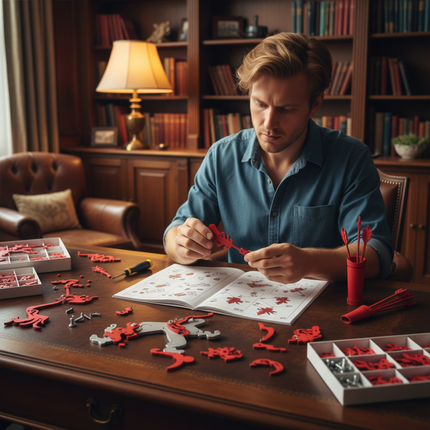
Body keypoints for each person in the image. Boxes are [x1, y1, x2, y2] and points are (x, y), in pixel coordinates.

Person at [164, 32, 393, 283]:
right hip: (238, 306)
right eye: (260, 104)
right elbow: (175, 233)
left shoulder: (351, 158)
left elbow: (376, 254)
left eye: (286, 109)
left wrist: (310, 262)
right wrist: (181, 245)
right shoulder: (221, 156)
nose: (269, 123)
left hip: (324, 309)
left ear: (315, 103)